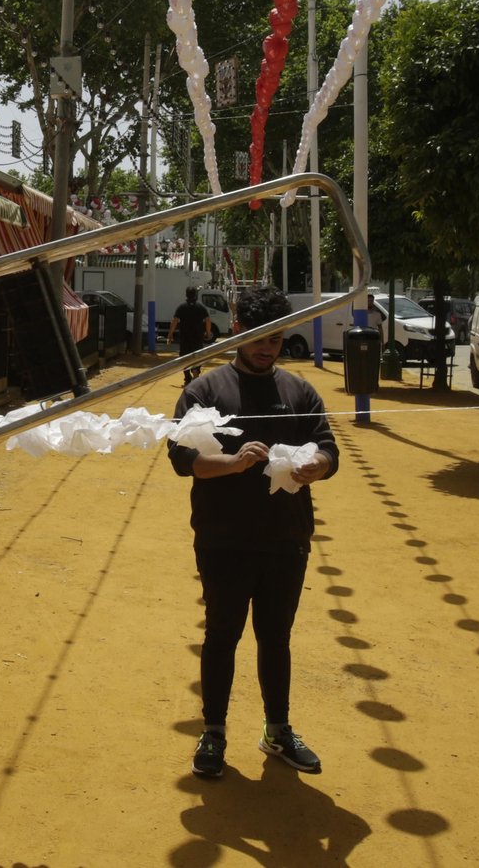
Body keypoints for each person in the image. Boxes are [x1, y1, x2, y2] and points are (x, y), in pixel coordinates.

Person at [168, 286, 339, 780]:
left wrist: (318, 466)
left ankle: (277, 731)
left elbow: (328, 445)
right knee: (222, 636)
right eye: (260, 338)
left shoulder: (299, 391)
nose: (268, 349)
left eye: (277, 340)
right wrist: (233, 462)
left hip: (286, 538)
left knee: (276, 638)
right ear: (238, 331)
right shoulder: (204, 391)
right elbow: (183, 460)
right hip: (223, 539)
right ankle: (214, 732)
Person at [168, 286, 213, 385]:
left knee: (184, 356)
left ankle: (187, 378)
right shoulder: (201, 307)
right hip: (197, 335)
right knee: (197, 355)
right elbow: (208, 320)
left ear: (186, 295)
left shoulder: (181, 306)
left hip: (184, 336)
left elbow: (174, 320)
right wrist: (208, 333)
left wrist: (170, 333)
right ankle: (196, 369)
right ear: (196, 295)